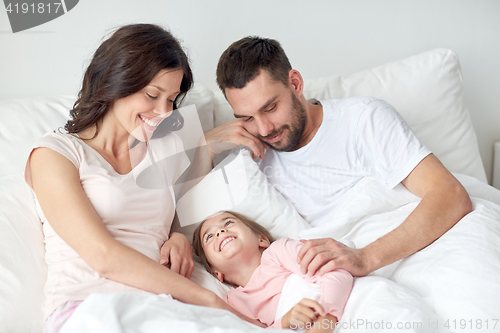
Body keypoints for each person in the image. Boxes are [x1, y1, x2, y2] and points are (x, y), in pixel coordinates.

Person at [25, 24, 260, 332]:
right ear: (115, 81)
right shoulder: (55, 154)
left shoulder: (165, 144)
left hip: (160, 307)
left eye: (172, 99)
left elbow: (188, 198)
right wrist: (213, 301)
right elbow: (103, 256)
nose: (163, 111)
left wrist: (178, 235)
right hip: (87, 307)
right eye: (152, 95)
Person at [204, 36, 472, 278]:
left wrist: (365, 257)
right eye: (247, 117)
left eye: (271, 107)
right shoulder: (250, 156)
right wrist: (205, 145)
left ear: (295, 83)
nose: (264, 129)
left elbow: (451, 195)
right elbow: (186, 218)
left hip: (415, 255)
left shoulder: (364, 119)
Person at [193, 211, 353, 332]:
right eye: (209, 236)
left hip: (338, 309)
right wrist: (285, 322)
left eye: (228, 223)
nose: (220, 232)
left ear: (261, 239)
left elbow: (336, 271)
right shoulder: (235, 301)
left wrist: (327, 318)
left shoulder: (278, 252)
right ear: (216, 273)